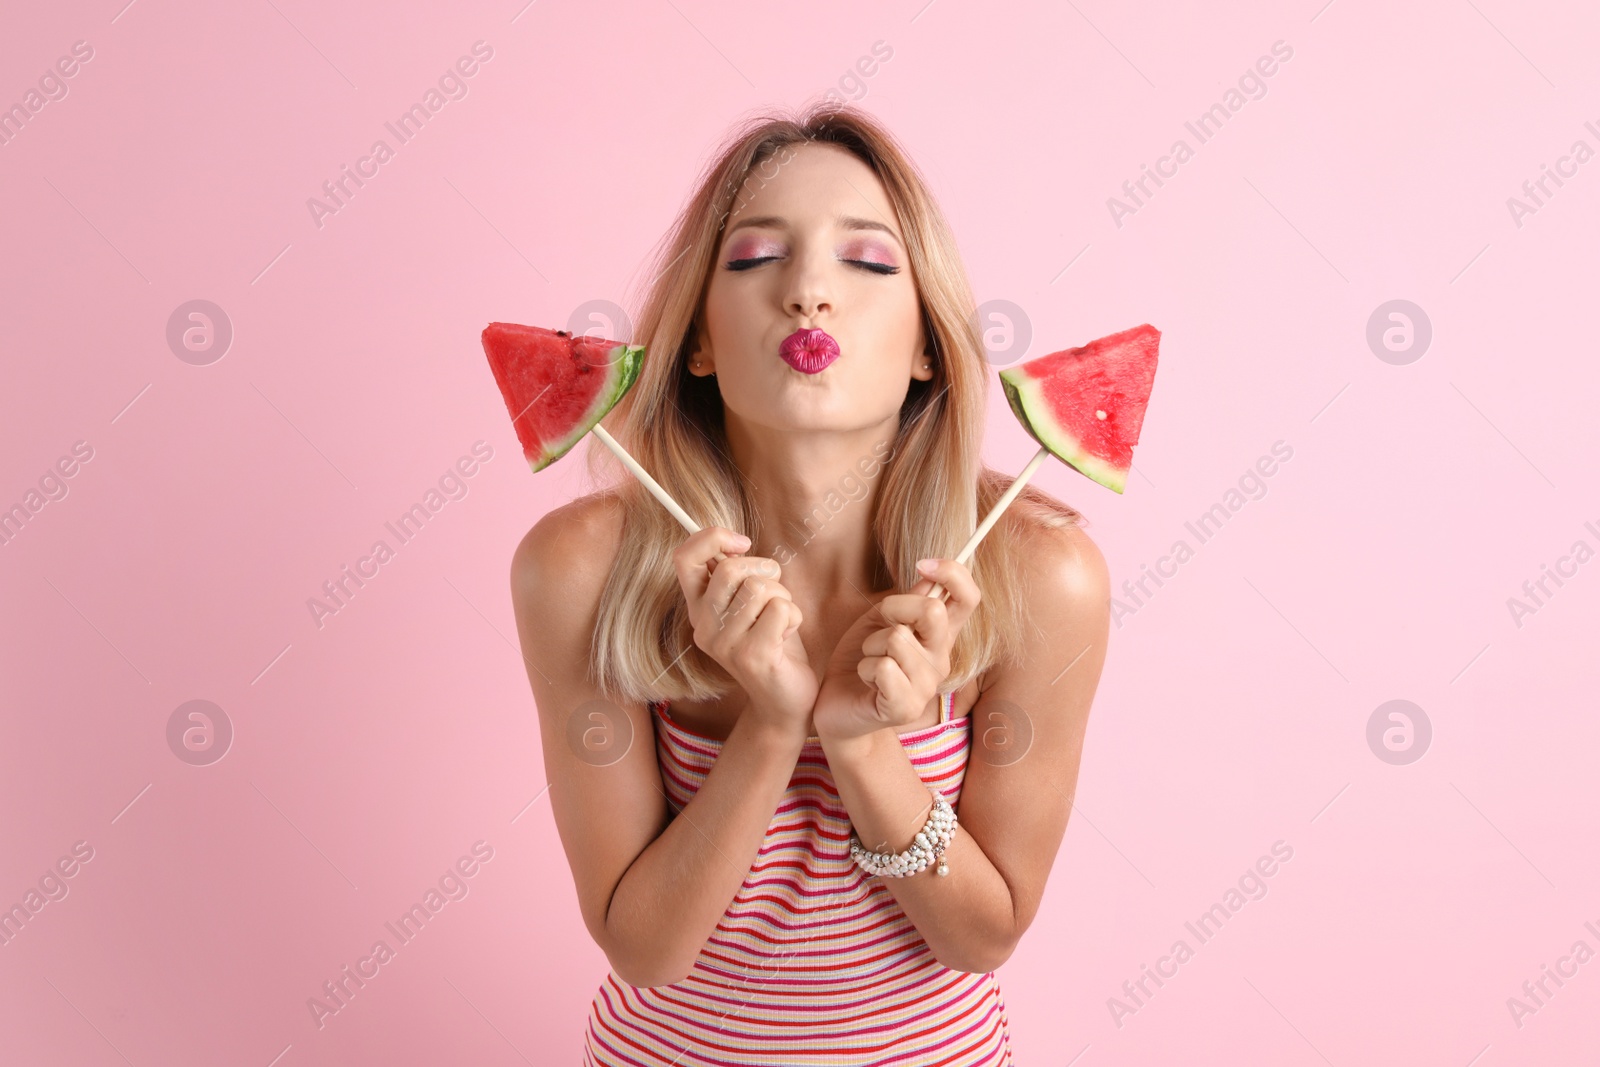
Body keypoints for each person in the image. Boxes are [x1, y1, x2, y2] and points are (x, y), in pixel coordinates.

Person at [510, 102, 1111, 1066]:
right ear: (698, 340)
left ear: (928, 346)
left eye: (868, 263)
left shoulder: (1042, 574)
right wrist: (774, 720)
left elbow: (984, 935)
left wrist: (863, 745)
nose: (808, 294)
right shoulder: (581, 569)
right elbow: (644, 947)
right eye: (753, 259)